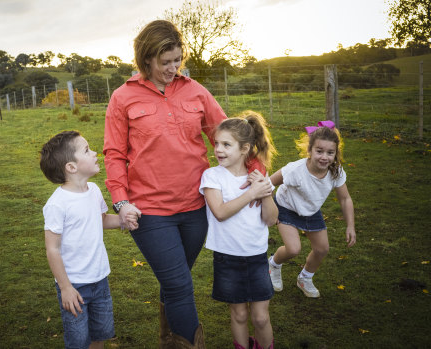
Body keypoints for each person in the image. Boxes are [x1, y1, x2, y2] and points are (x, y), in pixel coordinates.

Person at [103, 19, 264, 348]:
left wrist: (255, 169)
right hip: (149, 212)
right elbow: (114, 154)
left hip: (195, 208)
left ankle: (167, 338)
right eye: (165, 62)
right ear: (146, 58)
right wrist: (121, 202)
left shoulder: (195, 91)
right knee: (179, 285)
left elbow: (229, 134)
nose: (173, 68)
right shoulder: (123, 97)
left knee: (174, 278)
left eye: (177, 60)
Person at [41, 130, 130, 349]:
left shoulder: (94, 191)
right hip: (74, 285)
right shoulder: (57, 204)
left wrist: (124, 220)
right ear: (71, 167)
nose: (95, 152)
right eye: (87, 150)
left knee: (99, 335)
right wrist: (65, 288)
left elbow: (99, 220)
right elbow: (52, 249)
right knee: (79, 341)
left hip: (100, 279)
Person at [199, 112, 278, 349]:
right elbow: (220, 213)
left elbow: (271, 219)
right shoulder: (212, 176)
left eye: (226, 145)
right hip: (227, 257)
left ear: (244, 148)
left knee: (261, 317)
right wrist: (251, 194)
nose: (219, 150)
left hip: (256, 256)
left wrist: (264, 192)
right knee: (240, 315)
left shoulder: (260, 177)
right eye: (217, 144)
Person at [268, 121, 356, 298]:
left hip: (311, 210)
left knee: (322, 249)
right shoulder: (295, 170)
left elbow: (345, 198)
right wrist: (272, 210)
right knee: (293, 249)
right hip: (286, 208)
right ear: (309, 150)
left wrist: (350, 226)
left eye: (330, 152)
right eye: (319, 151)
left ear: (336, 153)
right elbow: (268, 184)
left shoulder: (336, 171)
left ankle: (305, 278)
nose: (325, 157)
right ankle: (273, 264)